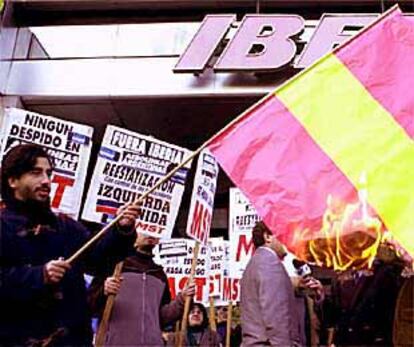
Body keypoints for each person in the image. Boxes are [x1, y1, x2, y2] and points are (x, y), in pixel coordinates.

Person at [0, 144, 139, 346]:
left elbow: (99, 259)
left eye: (48, 173)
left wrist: (121, 230)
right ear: (12, 180)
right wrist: (39, 275)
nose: (46, 181)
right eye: (35, 173)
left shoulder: (65, 227)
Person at [88, 231, 196, 346]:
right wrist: (104, 291)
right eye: (145, 230)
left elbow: (160, 318)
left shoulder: (159, 275)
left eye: (155, 230)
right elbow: (88, 305)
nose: (150, 233)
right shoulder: (112, 266)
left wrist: (182, 300)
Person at [240, 221, 301, 347]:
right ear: (267, 236)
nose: (289, 241)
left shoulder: (256, 262)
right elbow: (276, 316)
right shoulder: (269, 262)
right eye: (284, 236)